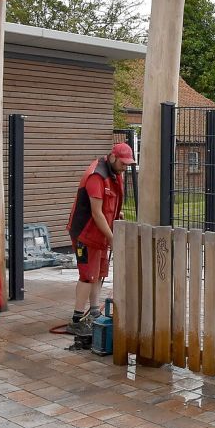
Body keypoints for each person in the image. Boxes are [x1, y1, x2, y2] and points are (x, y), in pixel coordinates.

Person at [65, 142, 135, 335]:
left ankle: (94, 312)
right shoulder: (97, 176)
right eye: (123, 163)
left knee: (99, 274)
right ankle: (76, 320)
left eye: (128, 164)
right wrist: (112, 238)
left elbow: (110, 205)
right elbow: (96, 213)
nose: (125, 167)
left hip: (100, 234)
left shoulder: (115, 174)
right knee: (87, 276)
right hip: (86, 234)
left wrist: (117, 214)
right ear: (113, 157)